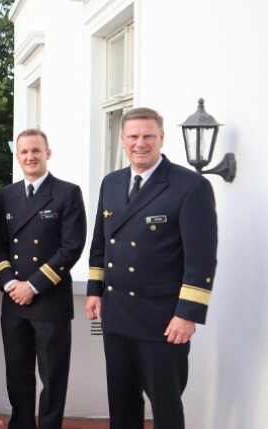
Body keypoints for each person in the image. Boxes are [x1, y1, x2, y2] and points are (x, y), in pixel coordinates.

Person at [84, 107, 217, 429]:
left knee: (166, 406)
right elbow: (101, 244)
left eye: (147, 136)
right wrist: (94, 292)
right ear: (122, 140)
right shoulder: (112, 183)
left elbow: (201, 259)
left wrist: (187, 314)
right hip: (116, 317)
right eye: (133, 136)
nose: (139, 143)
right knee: (122, 403)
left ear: (161, 138)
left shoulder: (189, 185)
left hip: (163, 320)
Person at [0, 129, 86, 429]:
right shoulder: (7, 195)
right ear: (17, 156)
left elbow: (71, 247)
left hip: (49, 299)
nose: (30, 157)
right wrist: (9, 284)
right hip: (14, 301)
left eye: (36, 150)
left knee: (53, 376)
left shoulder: (67, 193)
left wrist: (32, 286)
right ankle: (21, 424)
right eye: (24, 152)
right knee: (17, 372)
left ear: (48, 153)